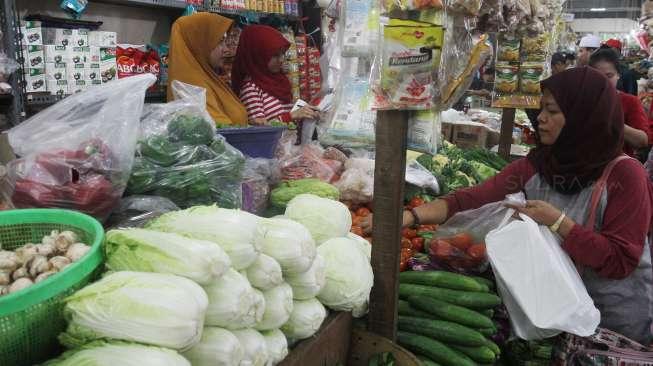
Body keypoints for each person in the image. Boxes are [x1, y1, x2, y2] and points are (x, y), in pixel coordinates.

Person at [363, 67, 653, 344]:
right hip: (551, 317)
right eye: (542, 109)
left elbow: (620, 261)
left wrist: (558, 222)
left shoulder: (626, 175)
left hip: (611, 326)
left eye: (552, 111)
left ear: (584, 116)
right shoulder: (541, 164)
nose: (540, 118)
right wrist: (410, 216)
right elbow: (470, 199)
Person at [167, 12, 248, 126]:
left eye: (225, 42)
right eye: (220, 42)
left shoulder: (208, 77)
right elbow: (219, 131)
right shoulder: (190, 88)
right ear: (199, 43)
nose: (226, 49)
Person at [231, 25, 319, 125]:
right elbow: (259, 130)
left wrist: (307, 111)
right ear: (258, 55)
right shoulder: (251, 89)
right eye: (275, 55)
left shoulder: (279, 80)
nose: (281, 60)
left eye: (283, 54)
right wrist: (292, 116)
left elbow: (285, 115)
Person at [590, 46, 650, 156]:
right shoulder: (583, 99)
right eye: (597, 76)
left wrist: (613, 122)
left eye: (609, 76)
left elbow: (643, 141)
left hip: (618, 167)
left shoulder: (629, 102)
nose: (604, 81)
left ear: (618, 75)